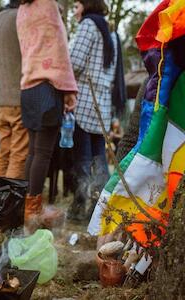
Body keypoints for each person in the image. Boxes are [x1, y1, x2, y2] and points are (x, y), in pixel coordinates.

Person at [17, 0, 78, 233]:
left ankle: (27, 205)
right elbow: (59, 49)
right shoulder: (48, 5)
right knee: (42, 153)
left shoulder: (21, 9)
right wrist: (69, 89)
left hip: (28, 87)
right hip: (48, 86)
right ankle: (33, 210)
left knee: (33, 151)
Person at [69, 0, 117, 221]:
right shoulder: (108, 29)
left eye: (77, 6)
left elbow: (75, 62)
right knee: (99, 158)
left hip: (85, 99)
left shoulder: (88, 25)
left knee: (83, 157)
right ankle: (100, 206)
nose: (75, 11)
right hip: (102, 102)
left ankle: (79, 205)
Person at [0, 0, 29, 179]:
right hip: (17, 96)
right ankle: (11, 203)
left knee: (3, 153)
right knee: (18, 155)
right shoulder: (19, 17)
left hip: (0, 98)